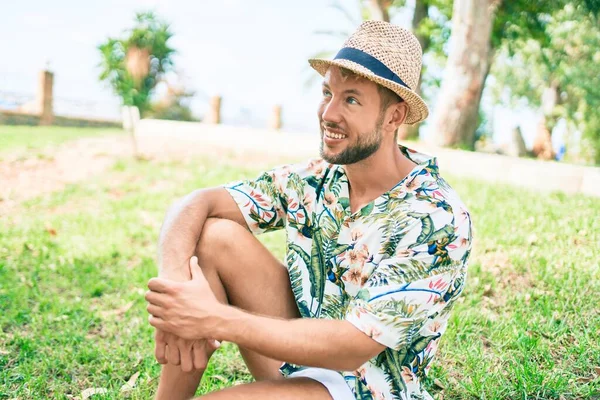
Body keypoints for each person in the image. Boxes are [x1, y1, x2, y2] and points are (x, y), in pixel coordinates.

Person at [145, 20, 473, 400]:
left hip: (369, 388)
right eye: (327, 92)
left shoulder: (435, 217)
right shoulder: (317, 178)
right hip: (300, 361)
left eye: (351, 99)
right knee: (215, 234)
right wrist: (177, 296)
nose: (329, 113)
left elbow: (353, 346)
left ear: (394, 117)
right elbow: (194, 203)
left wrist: (212, 318)